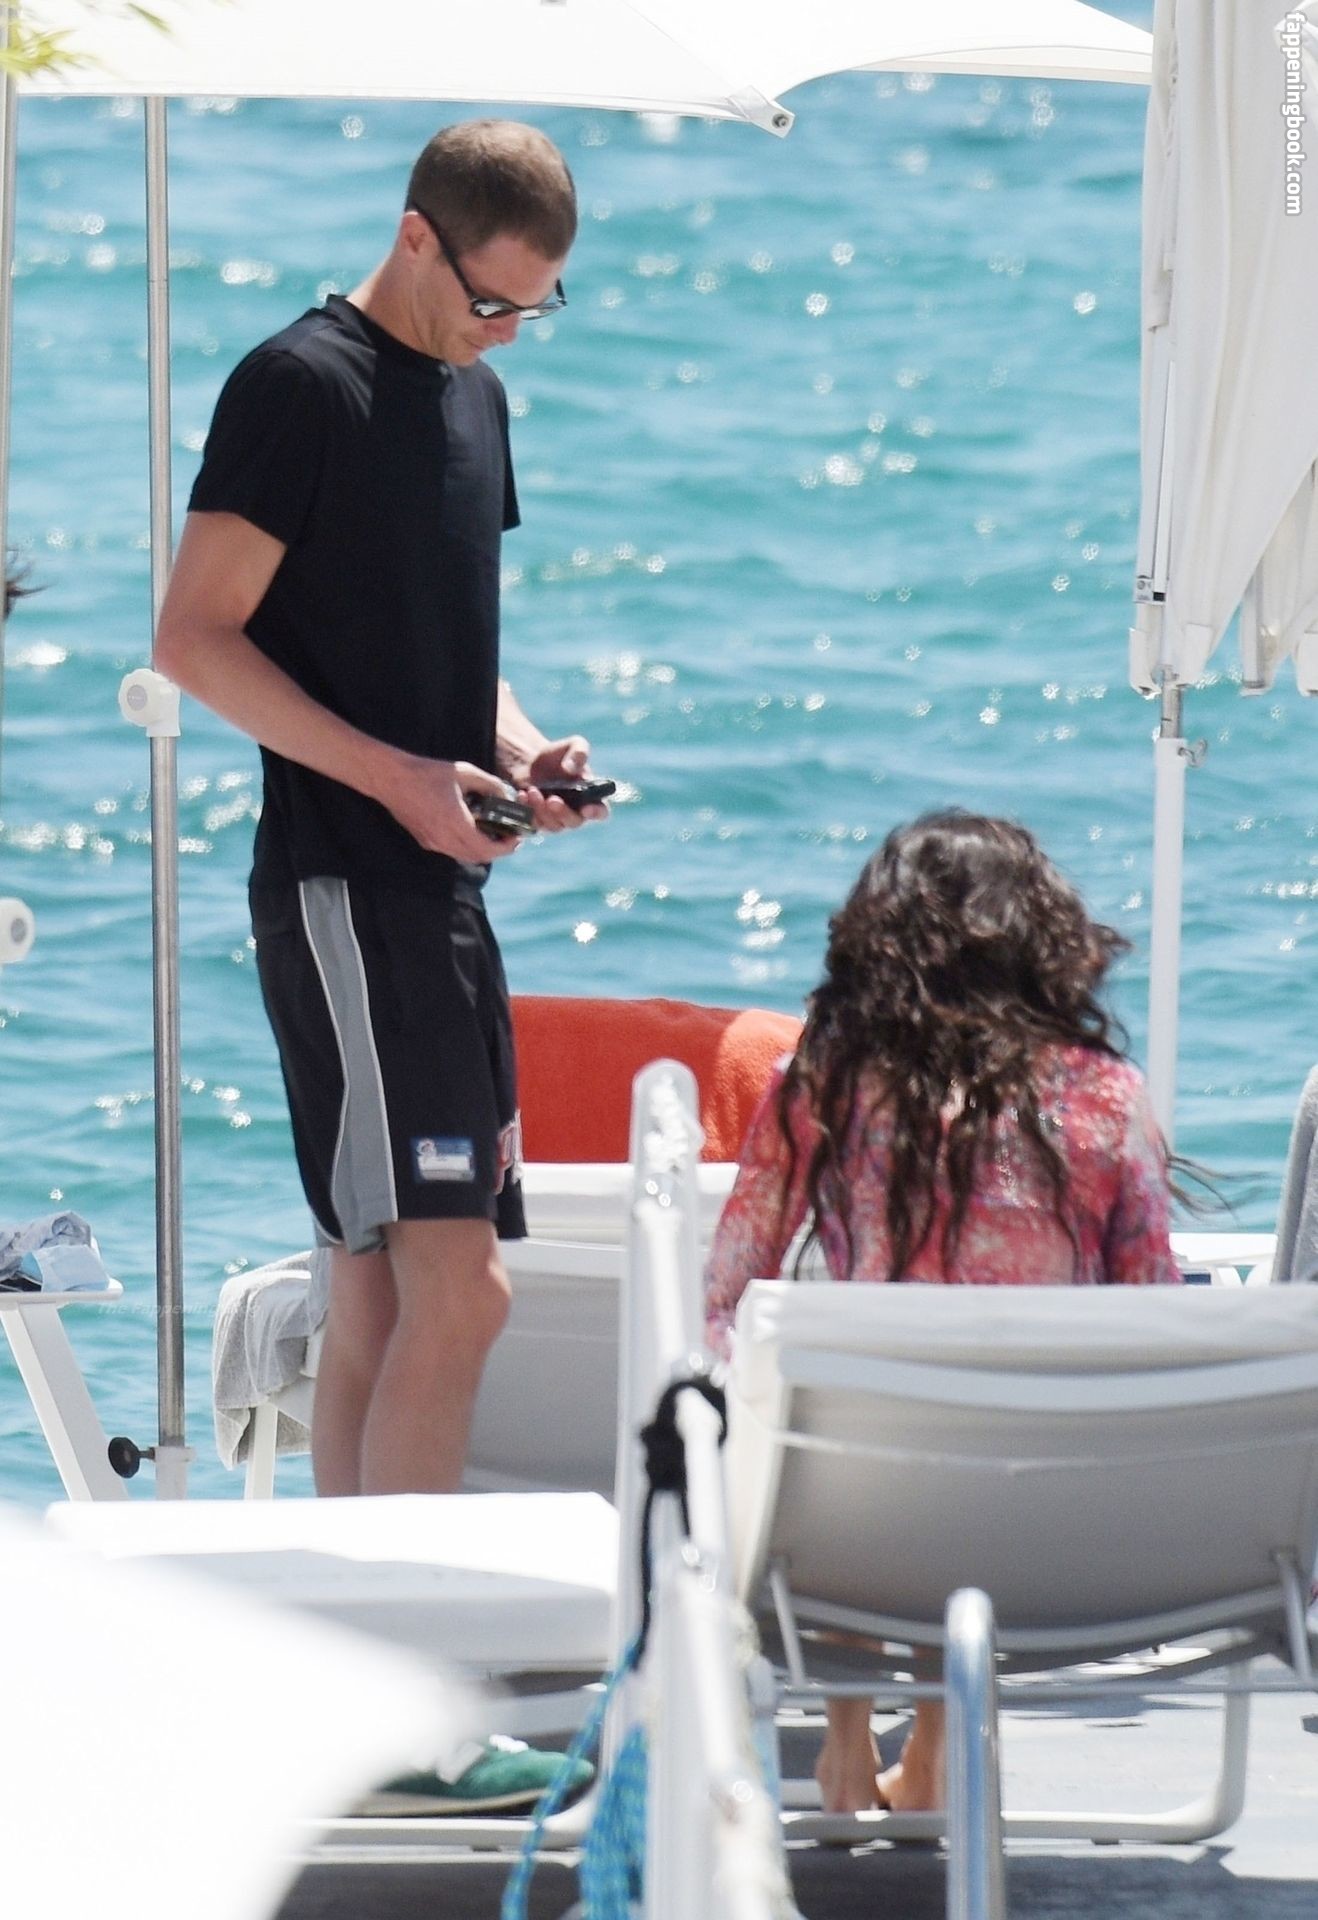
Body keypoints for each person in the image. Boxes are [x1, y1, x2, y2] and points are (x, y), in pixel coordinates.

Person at [155, 120, 608, 1508]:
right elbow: (193, 638)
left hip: (440, 890)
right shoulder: (299, 387)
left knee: (373, 1292)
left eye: (534, 308)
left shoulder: (477, 398)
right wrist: (396, 780)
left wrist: (522, 752)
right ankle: (423, 1612)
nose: (507, 333)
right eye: (490, 301)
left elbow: (442, 647)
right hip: (342, 886)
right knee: (460, 1293)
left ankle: (355, 1608)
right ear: (415, 235)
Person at [704, 810, 1180, 1816]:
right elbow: (1154, 1319)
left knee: (838, 1426)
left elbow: (728, 1291)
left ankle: (845, 1744)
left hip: (846, 1515)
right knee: (970, 1427)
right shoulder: (1107, 1096)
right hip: (1041, 1505)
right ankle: (933, 1749)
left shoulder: (822, 1079)